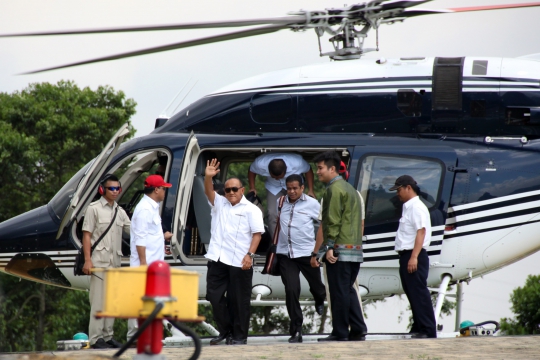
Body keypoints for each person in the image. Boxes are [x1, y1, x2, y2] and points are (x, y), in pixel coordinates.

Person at [204, 158, 264, 345]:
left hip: (240, 261)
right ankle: (226, 330)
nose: (230, 192)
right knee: (213, 296)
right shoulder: (220, 203)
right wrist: (208, 177)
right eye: (227, 189)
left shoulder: (252, 210)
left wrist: (250, 256)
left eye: (234, 189)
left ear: (242, 190)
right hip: (218, 259)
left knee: (239, 301)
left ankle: (239, 336)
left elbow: (257, 235)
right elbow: (209, 191)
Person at [312, 151, 368, 342]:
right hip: (355, 250)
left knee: (338, 292)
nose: (317, 172)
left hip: (339, 250)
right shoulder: (352, 190)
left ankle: (340, 332)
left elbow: (332, 221)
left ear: (332, 168)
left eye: (320, 168)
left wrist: (328, 247)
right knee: (348, 290)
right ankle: (358, 328)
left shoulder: (333, 190)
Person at [82, 174, 131, 349]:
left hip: (114, 263)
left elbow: (133, 230)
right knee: (98, 301)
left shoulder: (120, 211)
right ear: (102, 189)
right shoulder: (93, 209)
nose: (115, 191)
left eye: (118, 188)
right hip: (99, 263)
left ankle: (108, 336)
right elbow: (86, 235)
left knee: (111, 301)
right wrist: (88, 260)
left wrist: (158, 235)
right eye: (111, 188)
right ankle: (96, 339)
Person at [276, 174, 326, 343]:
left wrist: (317, 252)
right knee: (291, 290)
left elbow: (323, 225)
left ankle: (319, 299)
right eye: (289, 188)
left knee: (318, 287)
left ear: (302, 188)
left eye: (295, 188)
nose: (292, 191)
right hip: (286, 254)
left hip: (306, 253)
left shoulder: (312, 204)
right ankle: (296, 329)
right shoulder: (280, 202)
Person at [390, 175, 437, 339]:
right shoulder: (409, 207)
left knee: (419, 292)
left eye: (399, 190)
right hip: (407, 254)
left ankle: (428, 329)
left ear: (408, 187)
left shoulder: (416, 207)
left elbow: (421, 232)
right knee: (412, 292)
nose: (397, 194)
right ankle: (419, 326)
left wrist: (414, 257)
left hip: (413, 254)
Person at [127, 174, 173, 339]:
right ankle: (136, 338)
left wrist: (163, 238)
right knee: (140, 301)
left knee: (151, 302)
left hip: (154, 265)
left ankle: (148, 335)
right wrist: (144, 263)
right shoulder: (144, 209)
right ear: (156, 189)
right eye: (164, 189)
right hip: (146, 265)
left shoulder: (152, 207)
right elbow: (140, 238)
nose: (165, 192)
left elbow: (150, 234)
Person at [248, 153, 315, 238]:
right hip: (273, 187)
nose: (277, 178)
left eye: (279, 177)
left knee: (297, 213)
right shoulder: (260, 163)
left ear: (286, 170)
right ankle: (275, 244)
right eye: (274, 176)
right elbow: (252, 170)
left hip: (294, 186)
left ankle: (297, 240)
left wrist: (311, 190)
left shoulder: (297, 163)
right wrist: (252, 187)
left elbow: (308, 170)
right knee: (272, 213)